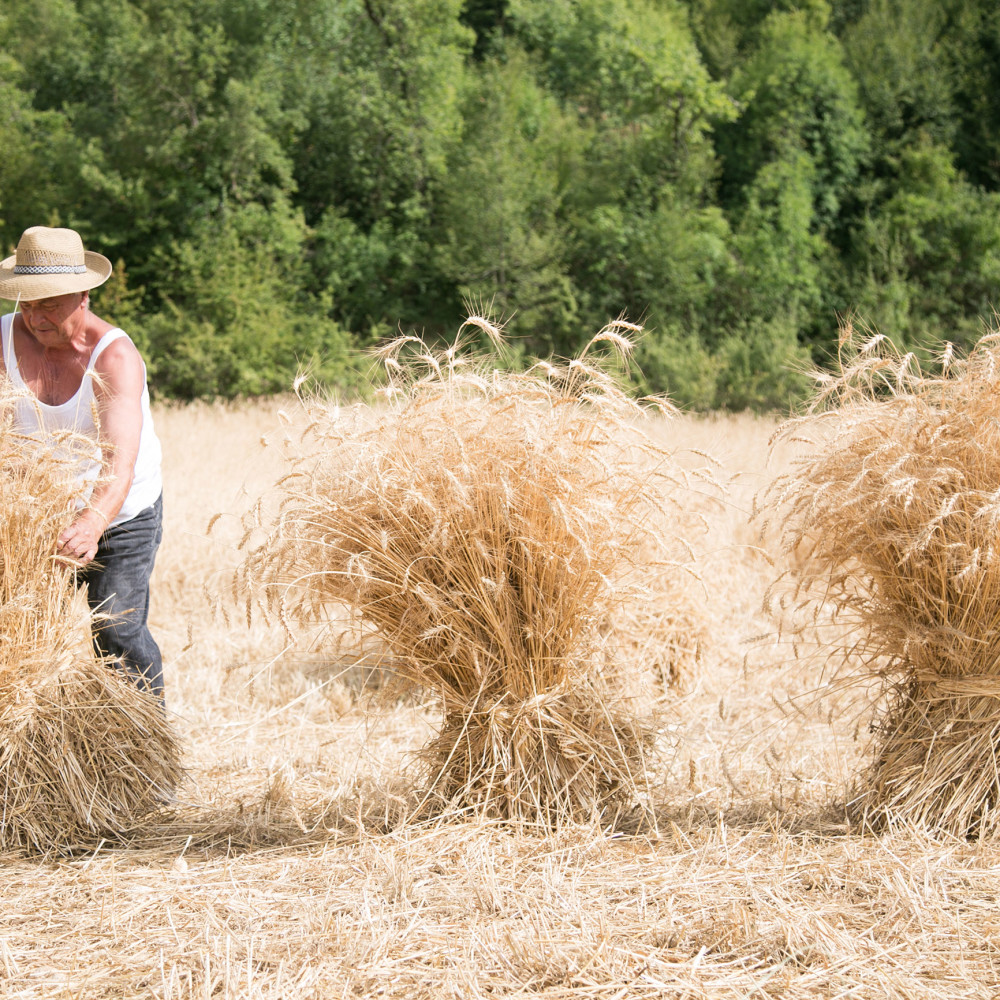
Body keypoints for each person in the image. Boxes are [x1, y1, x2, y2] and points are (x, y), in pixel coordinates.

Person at [0, 226, 165, 702]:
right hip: (35, 511)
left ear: (83, 294)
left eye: (48, 303)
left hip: (119, 512)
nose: (35, 317)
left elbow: (120, 461)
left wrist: (92, 522)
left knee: (117, 633)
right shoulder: (2, 340)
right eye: (26, 303)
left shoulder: (115, 357)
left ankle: (146, 756)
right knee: (18, 628)